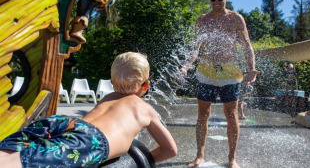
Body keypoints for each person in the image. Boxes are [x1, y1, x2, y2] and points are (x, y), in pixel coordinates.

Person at [0, 52, 177, 168]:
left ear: (112, 80)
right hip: (90, 140)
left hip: (64, 123)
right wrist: (142, 160)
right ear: (145, 85)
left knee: (8, 152)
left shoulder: (107, 98)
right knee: (27, 163)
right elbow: (170, 150)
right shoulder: (144, 108)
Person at [180, 0, 260, 168]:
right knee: (203, 115)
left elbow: (246, 46)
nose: (215, 2)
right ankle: (199, 155)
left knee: (231, 115)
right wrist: (185, 66)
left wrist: (251, 68)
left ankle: (232, 159)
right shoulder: (202, 20)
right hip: (206, 70)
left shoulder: (236, 19)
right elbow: (195, 48)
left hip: (230, 71)